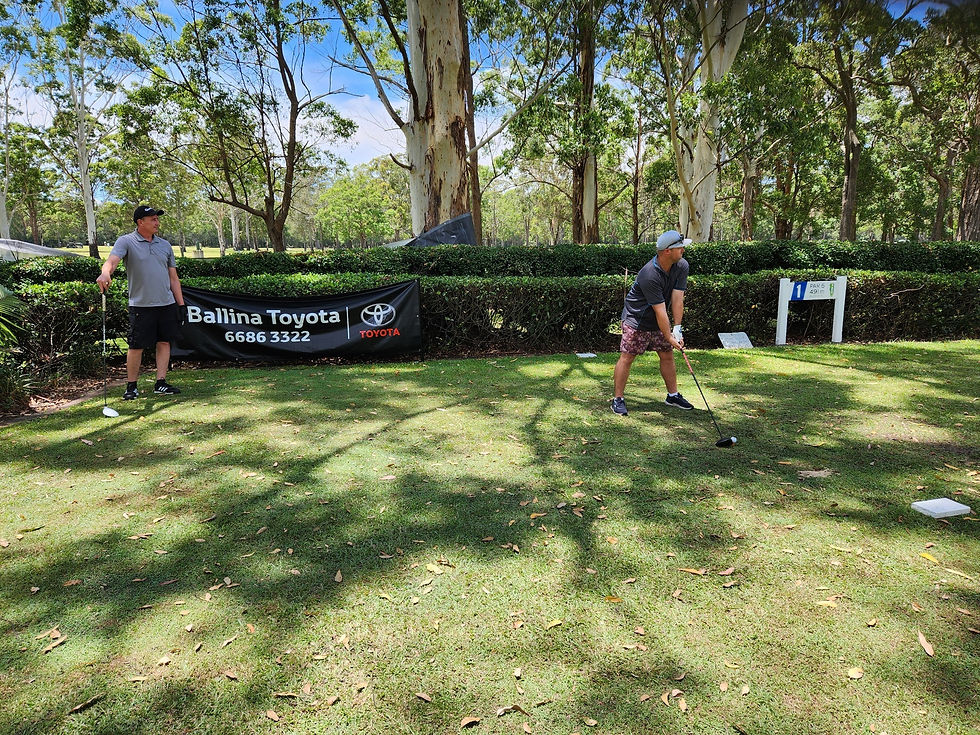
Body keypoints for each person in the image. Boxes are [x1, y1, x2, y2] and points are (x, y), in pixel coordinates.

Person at [96, 205, 187, 400]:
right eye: (153, 219)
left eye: (157, 219)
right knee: (136, 346)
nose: (157, 222)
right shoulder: (126, 241)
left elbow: (173, 278)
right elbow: (112, 261)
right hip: (141, 306)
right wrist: (105, 273)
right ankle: (131, 387)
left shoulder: (165, 245)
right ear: (140, 222)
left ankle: (160, 383)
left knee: (164, 342)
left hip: (166, 304)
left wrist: (181, 305)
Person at [611, 229, 693, 416]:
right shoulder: (649, 274)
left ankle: (672, 395)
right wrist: (668, 336)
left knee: (666, 354)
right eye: (680, 248)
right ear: (667, 251)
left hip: (659, 319)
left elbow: (678, 298)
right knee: (627, 357)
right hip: (636, 319)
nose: (683, 251)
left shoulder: (681, 266)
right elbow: (660, 310)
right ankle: (618, 399)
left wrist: (677, 330)